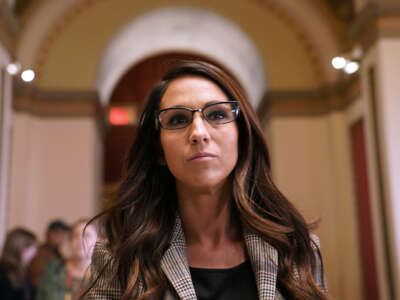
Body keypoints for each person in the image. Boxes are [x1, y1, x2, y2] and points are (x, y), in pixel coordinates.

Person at [83, 60, 329, 300]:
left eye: (217, 114)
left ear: (242, 138)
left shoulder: (297, 250)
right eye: (178, 119)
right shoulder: (120, 257)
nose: (199, 133)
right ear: (159, 151)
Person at [36, 219, 97, 300]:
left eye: (86, 235)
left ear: (98, 240)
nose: (80, 239)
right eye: (75, 236)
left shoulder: (106, 275)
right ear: (70, 241)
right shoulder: (53, 269)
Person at [28, 219, 71, 291]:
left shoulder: (60, 255)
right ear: (48, 234)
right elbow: (37, 281)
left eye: (64, 235)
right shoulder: (39, 253)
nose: (61, 238)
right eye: (58, 234)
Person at [0, 227, 37, 300]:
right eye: (30, 247)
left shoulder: (22, 271)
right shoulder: (4, 272)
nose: (34, 251)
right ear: (19, 247)